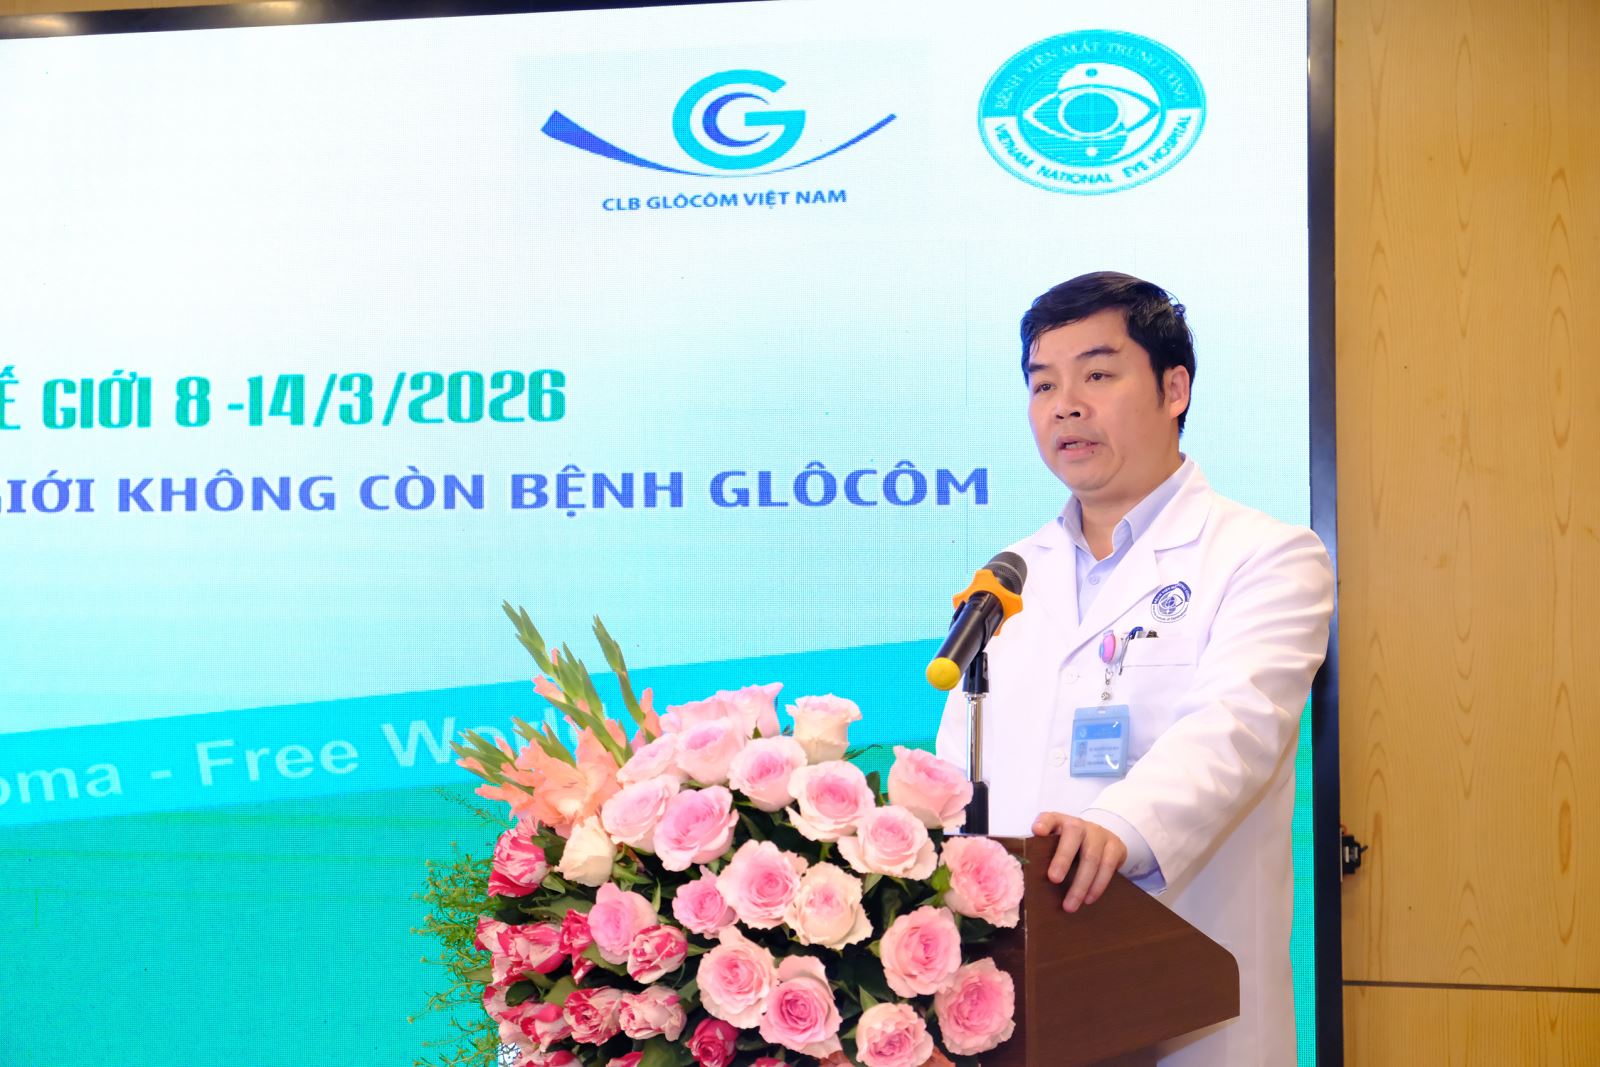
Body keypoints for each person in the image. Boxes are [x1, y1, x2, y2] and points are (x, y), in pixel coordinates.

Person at [935, 271, 1334, 1066]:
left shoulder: (1266, 555)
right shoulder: (1008, 576)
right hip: (1015, 1012)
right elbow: (955, 771)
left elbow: (1235, 729)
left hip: (1184, 1004)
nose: (1065, 405)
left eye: (1097, 374)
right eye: (1043, 384)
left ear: (1174, 388)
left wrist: (1117, 827)